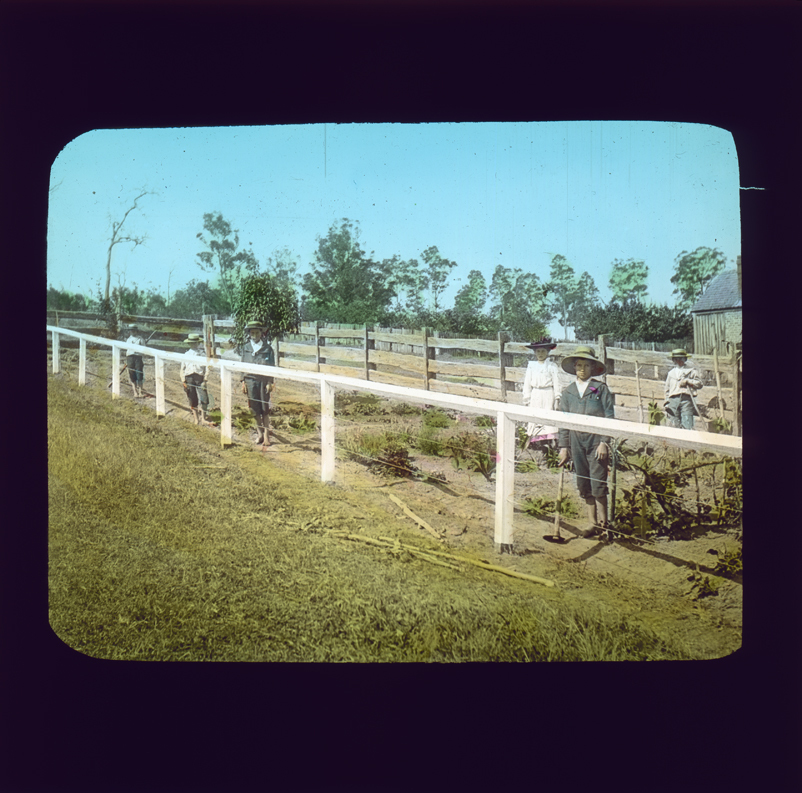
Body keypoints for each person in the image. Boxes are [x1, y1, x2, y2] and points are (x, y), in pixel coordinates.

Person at [557, 346, 615, 539]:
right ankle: (592, 524)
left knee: (598, 483)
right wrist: (564, 447)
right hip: (576, 442)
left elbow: (609, 416)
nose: (582, 369)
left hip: (595, 441)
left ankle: (605, 525)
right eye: (579, 365)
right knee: (584, 483)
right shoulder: (568, 393)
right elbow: (563, 422)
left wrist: (604, 442)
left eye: (586, 365)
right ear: (574, 367)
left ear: (593, 368)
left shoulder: (600, 389)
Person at [521, 336, 562, 466]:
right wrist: (527, 397)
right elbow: (527, 383)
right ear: (534, 353)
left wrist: (557, 398)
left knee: (548, 420)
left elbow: (557, 382)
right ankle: (539, 446)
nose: (540, 354)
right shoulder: (531, 366)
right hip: (535, 395)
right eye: (538, 352)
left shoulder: (551, 366)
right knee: (536, 419)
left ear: (548, 352)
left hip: (548, 394)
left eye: (543, 351)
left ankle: (550, 448)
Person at [239, 321, 275, 446]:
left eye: (257, 332)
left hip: (263, 381)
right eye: (252, 332)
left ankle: (266, 436)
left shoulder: (268, 349)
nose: (254, 335)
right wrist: (243, 381)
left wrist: (270, 381)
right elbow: (242, 365)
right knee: (253, 409)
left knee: (264, 409)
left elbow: (272, 367)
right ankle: (259, 433)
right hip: (250, 381)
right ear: (249, 334)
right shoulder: (246, 348)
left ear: (262, 333)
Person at [664, 348, 702, 430]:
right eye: (677, 359)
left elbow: (699, 384)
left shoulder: (691, 371)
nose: (679, 361)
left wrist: (688, 381)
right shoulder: (671, 373)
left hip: (686, 400)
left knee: (687, 422)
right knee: (674, 423)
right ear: (674, 360)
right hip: (673, 400)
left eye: (681, 359)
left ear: (685, 359)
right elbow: (667, 389)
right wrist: (667, 402)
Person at [180, 333, 211, 425]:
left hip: (199, 378)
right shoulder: (186, 354)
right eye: (191, 343)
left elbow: (207, 367)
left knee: (204, 398)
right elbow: (182, 369)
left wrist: (205, 379)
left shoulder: (202, 354)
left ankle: (203, 418)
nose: (194, 345)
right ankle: (196, 419)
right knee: (192, 398)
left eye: (195, 343)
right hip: (189, 378)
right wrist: (183, 380)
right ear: (189, 344)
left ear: (198, 343)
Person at [124, 323, 146, 398]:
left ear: (136, 331)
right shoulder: (128, 340)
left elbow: (144, 349)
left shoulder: (140, 339)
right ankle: (135, 392)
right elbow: (127, 350)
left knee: (139, 374)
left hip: (138, 357)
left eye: (134, 330)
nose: (132, 332)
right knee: (132, 374)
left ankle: (140, 392)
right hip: (130, 358)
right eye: (131, 330)